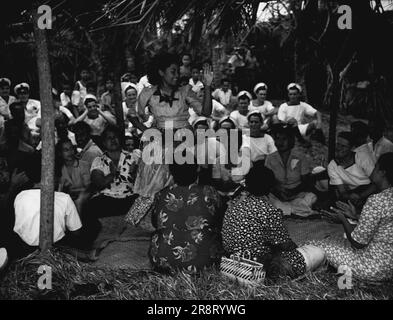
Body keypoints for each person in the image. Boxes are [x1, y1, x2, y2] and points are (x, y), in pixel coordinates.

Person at [127, 52, 213, 198]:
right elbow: (132, 114)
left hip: (184, 142)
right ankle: (156, 216)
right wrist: (147, 131)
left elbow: (205, 111)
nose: (177, 75)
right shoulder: (148, 93)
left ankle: (181, 216)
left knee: (184, 185)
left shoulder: (185, 90)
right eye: (173, 71)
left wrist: (208, 86)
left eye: (178, 71)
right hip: (160, 143)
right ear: (161, 72)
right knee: (155, 185)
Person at [222, 165, 325, 281]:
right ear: (270, 187)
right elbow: (285, 244)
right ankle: (274, 278)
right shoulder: (268, 210)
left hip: (232, 261)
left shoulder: (234, 203)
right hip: (258, 267)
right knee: (317, 252)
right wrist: (297, 249)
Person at [314, 153, 393, 282]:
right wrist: (355, 216)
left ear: (382, 172)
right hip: (389, 267)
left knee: (318, 244)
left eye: (376, 167)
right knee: (335, 240)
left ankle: (344, 286)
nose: (373, 170)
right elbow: (382, 229)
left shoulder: (377, 200)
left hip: (371, 267)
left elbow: (357, 243)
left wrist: (343, 219)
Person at [149, 159, 222, 275]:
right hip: (203, 263)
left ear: (171, 172)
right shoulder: (210, 192)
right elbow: (219, 220)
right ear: (197, 169)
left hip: (164, 260)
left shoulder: (161, 194)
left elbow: (154, 223)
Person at [12, 153, 82, 254]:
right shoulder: (64, 198)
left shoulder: (20, 197)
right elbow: (77, 232)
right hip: (55, 251)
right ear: (55, 176)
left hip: (25, 251)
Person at [85, 126, 140, 233]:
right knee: (89, 207)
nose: (113, 140)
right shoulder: (99, 160)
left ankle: (129, 230)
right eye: (109, 138)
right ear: (104, 143)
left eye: (115, 137)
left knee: (144, 203)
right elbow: (99, 183)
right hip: (108, 199)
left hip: (129, 198)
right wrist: (112, 174)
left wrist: (135, 174)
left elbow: (142, 184)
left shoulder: (133, 157)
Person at [266, 124, 317, 217]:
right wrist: (278, 191)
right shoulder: (270, 158)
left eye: (284, 139)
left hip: (297, 194)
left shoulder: (300, 157)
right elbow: (268, 181)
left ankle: (286, 210)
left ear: (290, 140)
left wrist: (293, 192)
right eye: (277, 138)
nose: (280, 142)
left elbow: (306, 181)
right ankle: (297, 211)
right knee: (266, 198)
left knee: (311, 197)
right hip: (278, 195)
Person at [327, 132, 376, 208]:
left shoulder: (362, 158)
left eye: (343, 146)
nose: (338, 148)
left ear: (351, 148)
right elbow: (342, 192)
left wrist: (361, 195)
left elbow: (376, 182)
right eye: (338, 144)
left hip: (369, 190)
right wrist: (351, 197)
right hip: (352, 194)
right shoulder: (332, 166)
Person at [231, 111, 276, 181]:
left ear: (261, 124)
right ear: (248, 123)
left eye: (256, 122)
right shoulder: (243, 137)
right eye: (251, 122)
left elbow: (273, 155)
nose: (253, 124)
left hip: (263, 167)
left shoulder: (267, 138)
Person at [55, 139, 91, 214]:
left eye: (71, 148)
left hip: (84, 195)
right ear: (60, 153)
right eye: (66, 150)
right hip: (68, 198)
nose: (70, 152)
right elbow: (60, 190)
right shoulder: (59, 169)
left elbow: (88, 187)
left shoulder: (84, 165)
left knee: (79, 200)